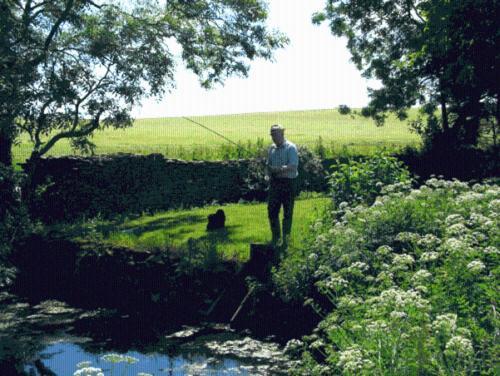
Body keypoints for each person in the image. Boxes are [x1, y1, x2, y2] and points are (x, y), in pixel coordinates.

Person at [267, 124, 298, 248]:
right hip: (274, 182)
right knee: (272, 210)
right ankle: (276, 237)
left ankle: (286, 240)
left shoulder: (291, 148)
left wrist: (279, 169)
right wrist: (268, 172)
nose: (274, 137)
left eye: (275, 134)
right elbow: (268, 165)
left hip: (288, 183)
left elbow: (293, 165)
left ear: (282, 134)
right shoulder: (271, 149)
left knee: (287, 211)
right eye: (272, 135)